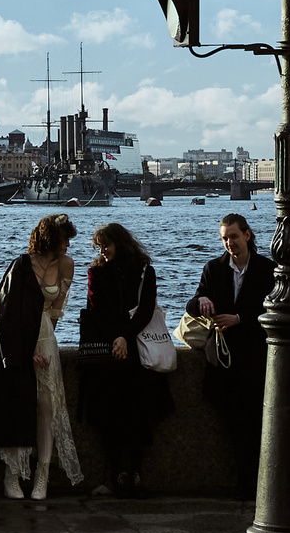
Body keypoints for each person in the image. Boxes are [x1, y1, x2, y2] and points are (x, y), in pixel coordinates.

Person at [0, 213, 81, 500]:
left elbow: (57, 311)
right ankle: (12, 474)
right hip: (18, 341)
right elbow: (6, 311)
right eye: (63, 240)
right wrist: (27, 348)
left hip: (44, 335)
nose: (67, 246)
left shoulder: (67, 265)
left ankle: (42, 475)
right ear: (50, 239)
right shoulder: (22, 265)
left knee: (46, 409)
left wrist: (44, 342)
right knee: (17, 405)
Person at [80, 222, 171, 497]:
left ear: (120, 243)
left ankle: (133, 472)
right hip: (113, 353)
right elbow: (97, 312)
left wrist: (123, 337)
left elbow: (146, 309)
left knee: (137, 415)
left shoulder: (145, 271)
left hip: (133, 351)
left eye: (106, 245)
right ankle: (119, 473)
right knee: (112, 416)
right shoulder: (97, 272)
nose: (103, 251)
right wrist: (118, 338)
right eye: (99, 247)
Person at [191, 211, 274, 503]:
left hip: (254, 357)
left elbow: (274, 312)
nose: (230, 244)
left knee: (255, 423)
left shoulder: (267, 269)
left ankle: (255, 484)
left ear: (247, 235)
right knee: (234, 425)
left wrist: (240, 318)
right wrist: (200, 299)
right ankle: (245, 483)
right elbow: (194, 303)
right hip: (224, 362)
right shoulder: (214, 269)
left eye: (234, 237)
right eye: (225, 238)